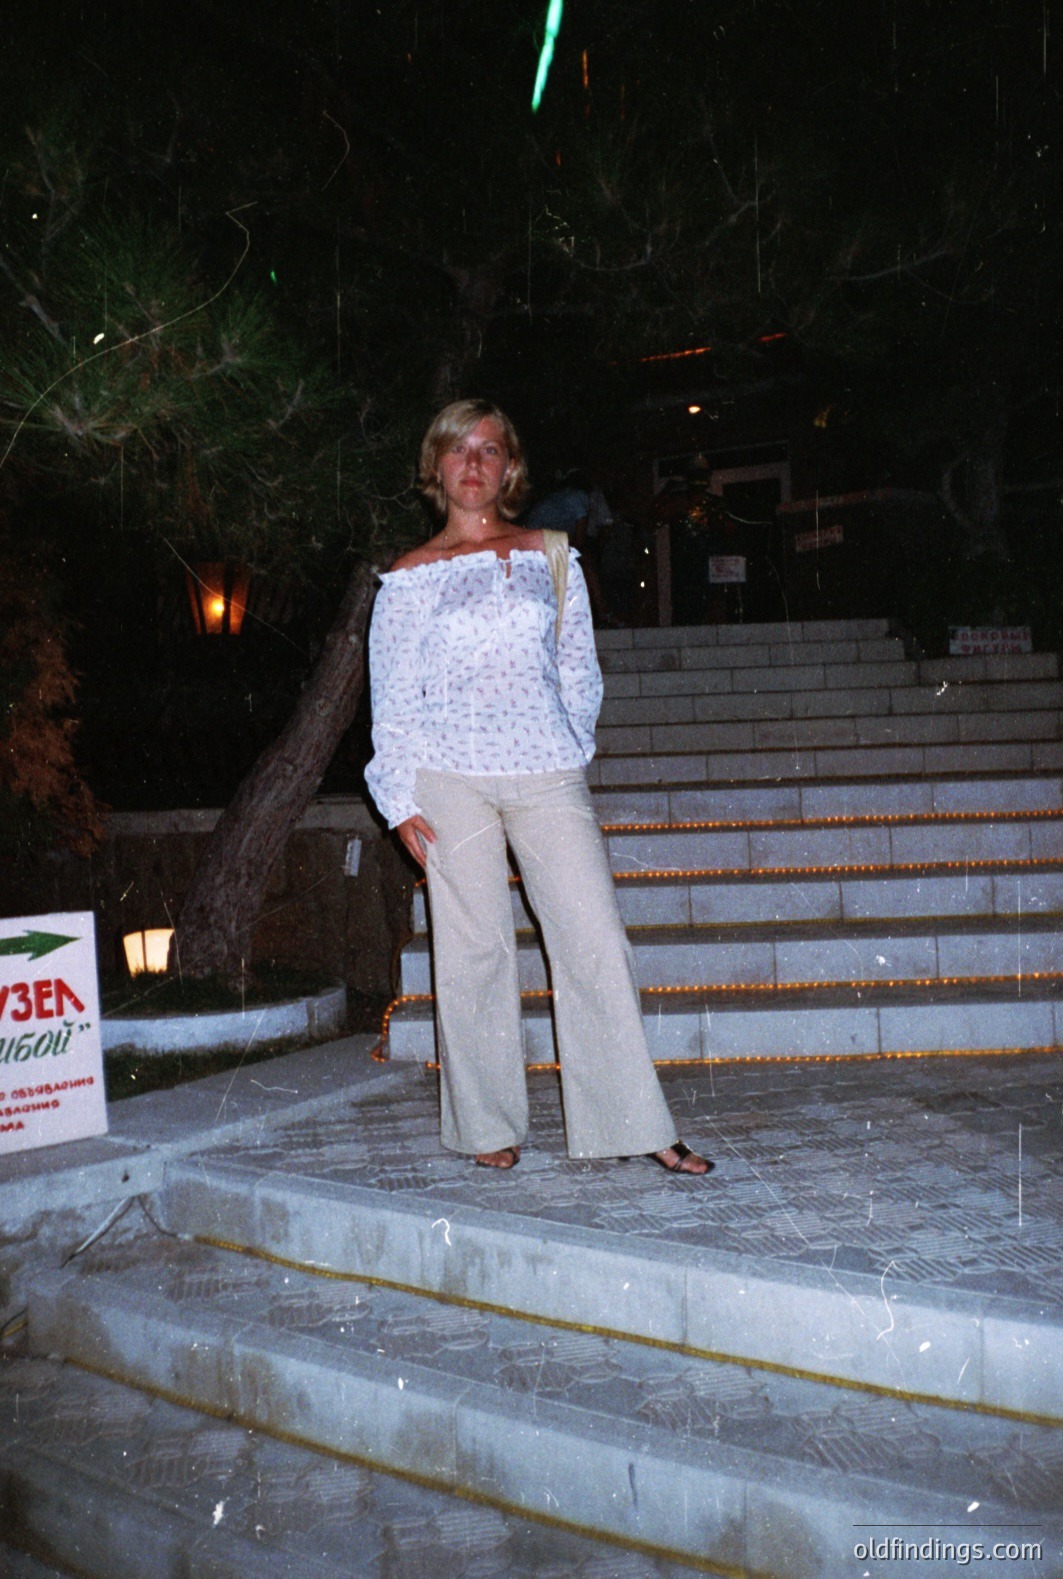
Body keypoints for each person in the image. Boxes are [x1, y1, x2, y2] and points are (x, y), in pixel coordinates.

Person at [365, 398, 711, 1176]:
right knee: (474, 951)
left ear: (510, 467)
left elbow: (577, 665)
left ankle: (635, 1122)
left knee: (596, 940)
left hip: (544, 771)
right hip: (448, 777)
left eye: (489, 449)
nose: (473, 463)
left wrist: (568, 742)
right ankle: (485, 1122)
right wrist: (399, 800)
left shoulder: (549, 553)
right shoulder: (409, 576)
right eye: (459, 449)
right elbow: (392, 700)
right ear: (437, 466)